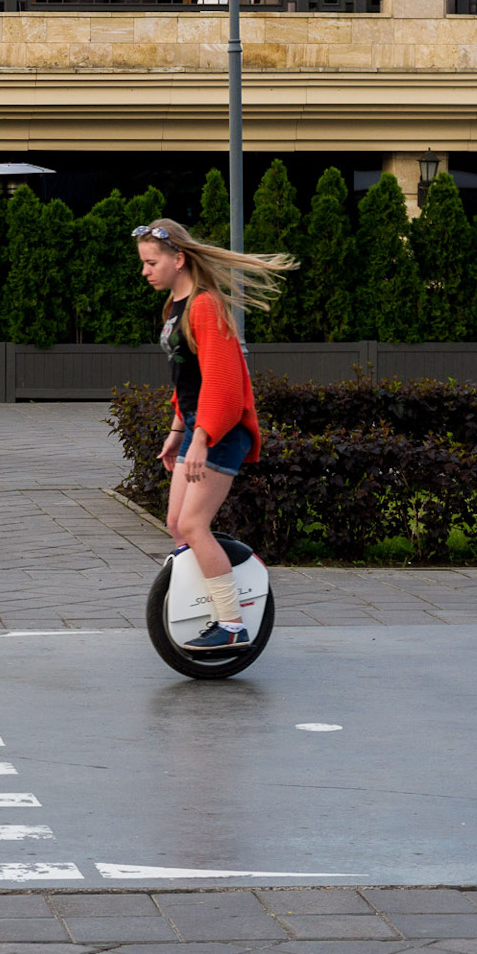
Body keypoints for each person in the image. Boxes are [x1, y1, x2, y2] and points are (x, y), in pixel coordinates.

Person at [134, 219, 296, 650]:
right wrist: (178, 431)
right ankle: (209, 599)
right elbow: (186, 379)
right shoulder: (175, 307)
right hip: (200, 427)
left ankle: (232, 624)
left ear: (179, 258)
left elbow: (223, 384)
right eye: (144, 263)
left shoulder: (204, 306)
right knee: (176, 525)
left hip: (221, 431)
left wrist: (202, 437)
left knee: (193, 523)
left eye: (152, 263)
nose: (145, 271)